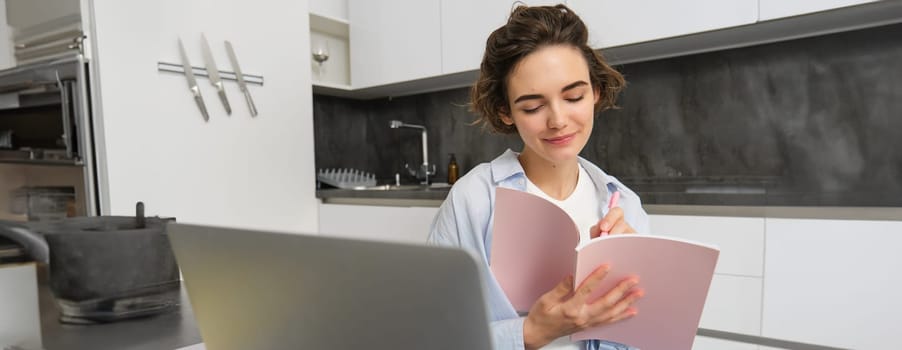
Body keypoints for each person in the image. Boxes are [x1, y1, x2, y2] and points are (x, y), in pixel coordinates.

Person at [427, 4, 650, 350]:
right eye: (532, 106)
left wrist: (634, 283)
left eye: (574, 96)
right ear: (506, 111)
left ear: (596, 92)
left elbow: (647, 337)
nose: (558, 120)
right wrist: (530, 334)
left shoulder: (625, 205)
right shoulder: (474, 199)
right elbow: (432, 334)